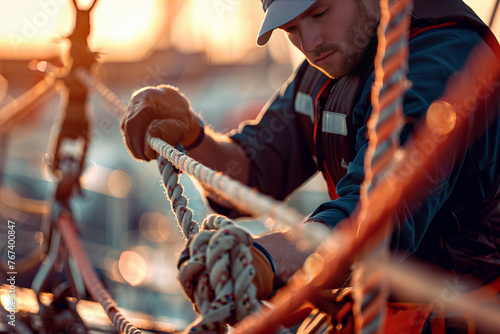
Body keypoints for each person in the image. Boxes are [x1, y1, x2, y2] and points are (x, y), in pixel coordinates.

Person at [121, 0, 500, 331]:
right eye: (291, 30)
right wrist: (193, 136)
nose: (309, 44)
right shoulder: (330, 63)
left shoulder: (445, 61)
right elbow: (252, 170)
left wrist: (266, 259)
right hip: (373, 311)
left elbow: (383, 215)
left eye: (319, 12)